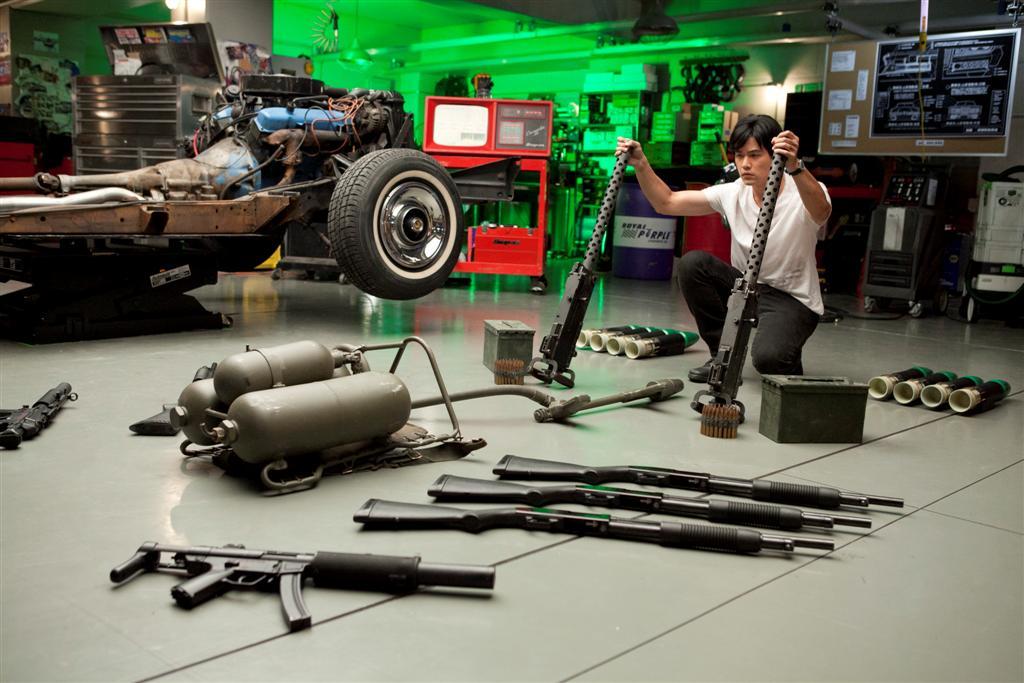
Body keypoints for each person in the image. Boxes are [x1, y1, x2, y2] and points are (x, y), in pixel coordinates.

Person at [615, 114, 831, 383]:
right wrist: (641, 164)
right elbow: (666, 202)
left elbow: (821, 212)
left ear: (776, 154)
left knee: (769, 360)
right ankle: (722, 357)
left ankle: (784, 349)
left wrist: (796, 166)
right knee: (692, 264)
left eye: (755, 155)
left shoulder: (803, 191)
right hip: (746, 288)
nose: (745, 164)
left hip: (791, 297)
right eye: (739, 155)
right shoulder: (733, 191)